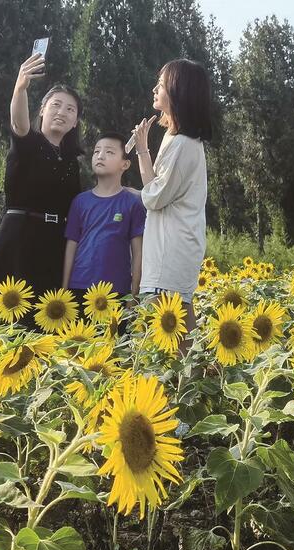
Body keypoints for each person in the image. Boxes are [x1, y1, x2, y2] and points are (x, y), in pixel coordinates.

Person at [0, 54, 84, 321]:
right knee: (9, 323)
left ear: (76, 122)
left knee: (47, 325)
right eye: (56, 105)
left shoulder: (73, 162)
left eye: (70, 109)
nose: (62, 112)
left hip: (55, 244)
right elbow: (18, 123)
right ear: (43, 110)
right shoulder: (28, 143)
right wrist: (20, 87)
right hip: (20, 241)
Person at [131, 59, 212, 349]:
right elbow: (157, 188)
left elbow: (154, 196)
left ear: (178, 92)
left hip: (171, 248)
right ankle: (190, 387)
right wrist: (143, 151)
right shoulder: (176, 139)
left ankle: (183, 389)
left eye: (162, 84)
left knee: (169, 335)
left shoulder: (181, 145)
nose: (155, 89)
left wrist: (140, 155)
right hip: (173, 244)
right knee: (178, 327)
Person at [62, 132, 146, 316]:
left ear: (125, 164)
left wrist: (134, 295)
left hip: (117, 292)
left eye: (109, 152)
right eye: (96, 151)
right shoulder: (80, 202)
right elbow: (71, 247)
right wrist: (64, 291)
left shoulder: (132, 203)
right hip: (79, 288)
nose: (100, 156)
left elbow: (138, 253)